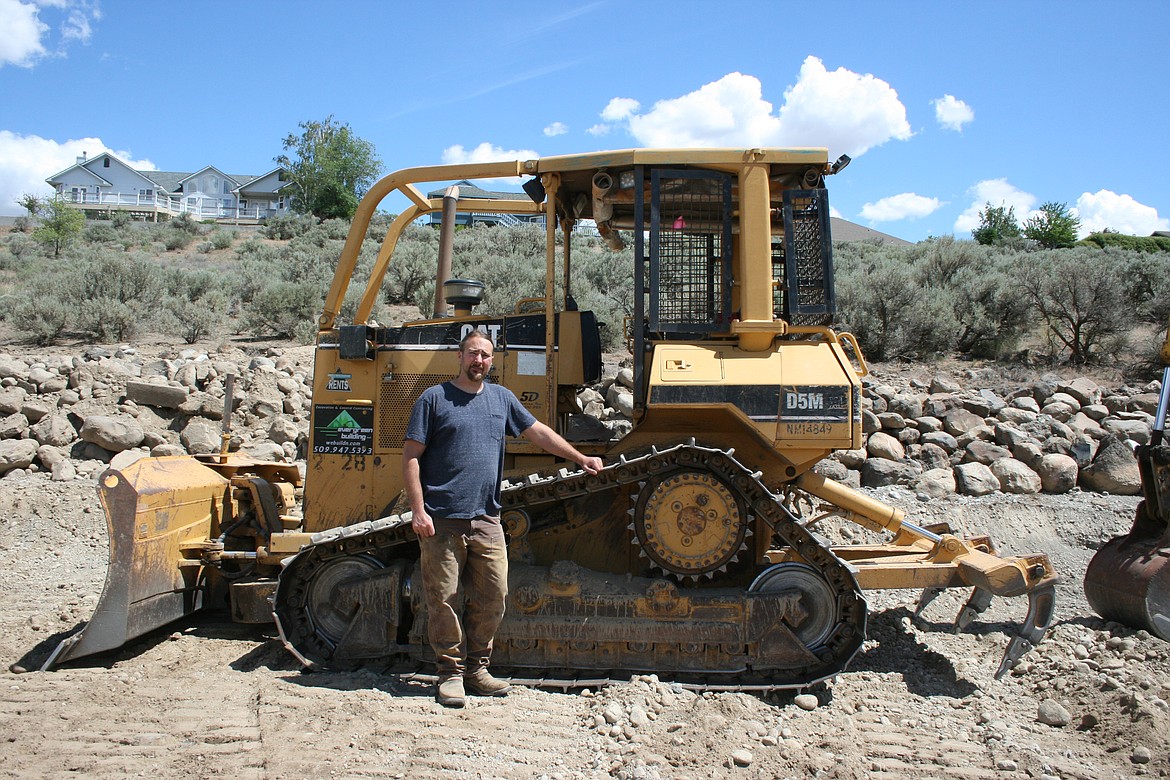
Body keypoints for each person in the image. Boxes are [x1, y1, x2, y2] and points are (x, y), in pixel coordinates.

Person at [403, 329, 604, 708]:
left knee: (495, 595)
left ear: (492, 361)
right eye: (473, 354)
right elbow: (411, 456)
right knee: (444, 599)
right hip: (443, 519)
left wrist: (580, 458)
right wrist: (418, 510)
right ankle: (449, 674)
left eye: (485, 355)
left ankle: (478, 669)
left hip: (487, 519)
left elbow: (539, 433)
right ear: (459, 357)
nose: (479, 360)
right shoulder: (434, 399)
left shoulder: (501, 398)